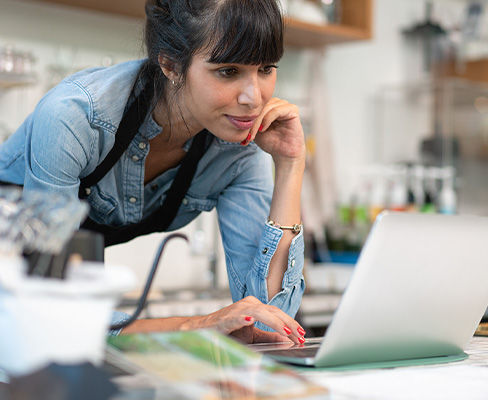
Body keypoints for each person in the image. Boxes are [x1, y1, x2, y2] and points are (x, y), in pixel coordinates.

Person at [0, 0, 307, 344]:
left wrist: (290, 164)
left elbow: (269, 321)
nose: (255, 98)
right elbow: (53, 309)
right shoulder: (75, 117)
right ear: (171, 65)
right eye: (228, 71)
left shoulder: (239, 148)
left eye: (266, 68)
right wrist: (194, 325)